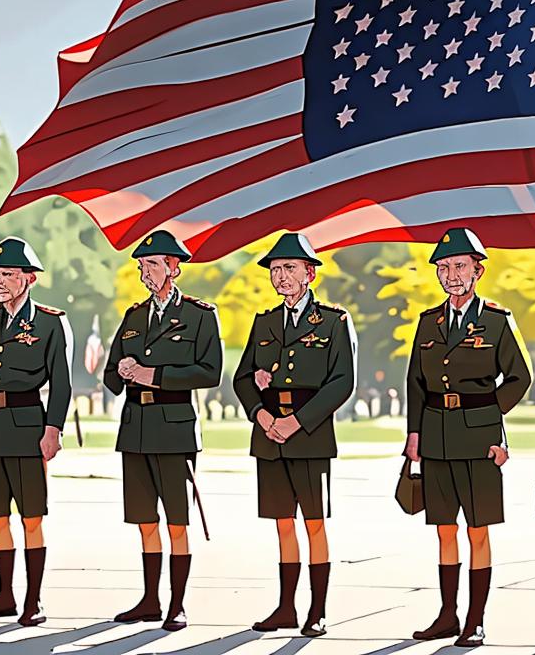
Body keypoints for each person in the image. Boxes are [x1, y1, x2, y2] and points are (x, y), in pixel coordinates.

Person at [404, 228, 531, 647]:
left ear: (477, 271)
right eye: (444, 267)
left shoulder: (496, 321)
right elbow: (416, 384)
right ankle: (447, 614)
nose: (451, 274)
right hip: (436, 437)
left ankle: (474, 619)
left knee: (478, 529)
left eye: (459, 266)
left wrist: (491, 422)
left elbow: (519, 377)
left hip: (479, 440)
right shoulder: (428, 322)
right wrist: (414, 434)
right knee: (443, 528)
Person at [233, 233, 357, 637]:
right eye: (275, 269)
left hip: (310, 434)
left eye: (289, 268)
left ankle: (316, 610)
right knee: (282, 522)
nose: (281, 276)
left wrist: (296, 422)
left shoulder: (335, 321)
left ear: (309, 273)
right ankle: (286, 607)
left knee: (314, 523)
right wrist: (261, 415)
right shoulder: (264, 322)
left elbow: (342, 382)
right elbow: (242, 378)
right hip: (269, 433)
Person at [104, 229, 223, 631]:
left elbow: (210, 372)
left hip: (174, 428)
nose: (144, 273)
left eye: (152, 265)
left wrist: (153, 374)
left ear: (174, 268)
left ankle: (177, 603)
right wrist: (120, 372)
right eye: (141, 266)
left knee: (176, 520)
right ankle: (150, 600)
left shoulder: (200, 315)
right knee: (144, 519)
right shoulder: (134, 317)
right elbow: (111, 372)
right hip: (135, 427)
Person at [0, 237, 72, 627]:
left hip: (28, 428)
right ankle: (5, 596)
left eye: (7, 275)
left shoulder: (51, 323)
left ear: (29, 278)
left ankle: (33, 600)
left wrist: (53, 429)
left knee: (31, 517)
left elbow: (62, 383)